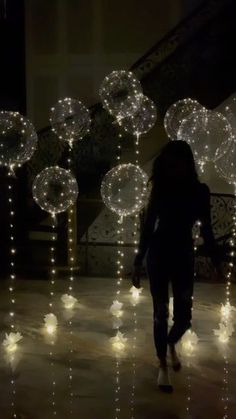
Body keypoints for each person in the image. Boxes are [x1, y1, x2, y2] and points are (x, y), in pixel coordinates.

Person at [132, 140, 220, 393]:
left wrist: (216, 262)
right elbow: (149, 226)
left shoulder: (200, 191)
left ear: (187, 162)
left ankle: (171, 344)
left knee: (184, 318)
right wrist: (138, 262)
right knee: (160, 314)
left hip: (183, 255)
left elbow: (208, 229)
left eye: (179, 160)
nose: (175, 165)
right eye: (171, 160)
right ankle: (162, 365)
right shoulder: (161, 187)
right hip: (159, 254)